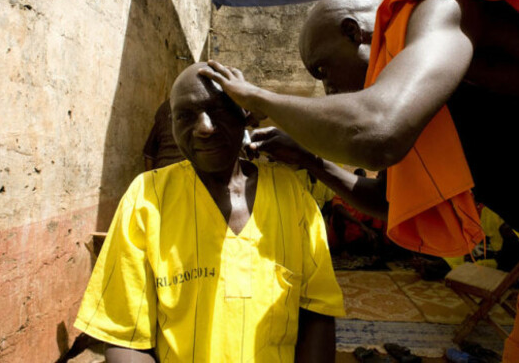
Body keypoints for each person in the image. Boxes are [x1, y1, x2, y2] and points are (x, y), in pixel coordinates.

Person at [200, 0, 519, 361]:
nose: (326, 91)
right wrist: (311, 159)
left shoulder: (438, 6)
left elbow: (376, 129)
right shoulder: (422, 93)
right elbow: (388, 200)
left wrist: (261, 98)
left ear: (354, 32)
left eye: (323, 71)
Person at [74, 62, 345, 362]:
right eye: (185, 116)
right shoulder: (146, 199)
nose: (204, 127)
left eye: (218, 111)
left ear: (246, 115)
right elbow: (125, 335)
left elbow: (317, 312)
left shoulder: (293, 196)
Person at [142, 99, 184, 171]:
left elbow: (149, 154)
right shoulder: (201, 107)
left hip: (162, 170)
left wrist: (152, 180)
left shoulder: (164, 107)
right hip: (186, 173)